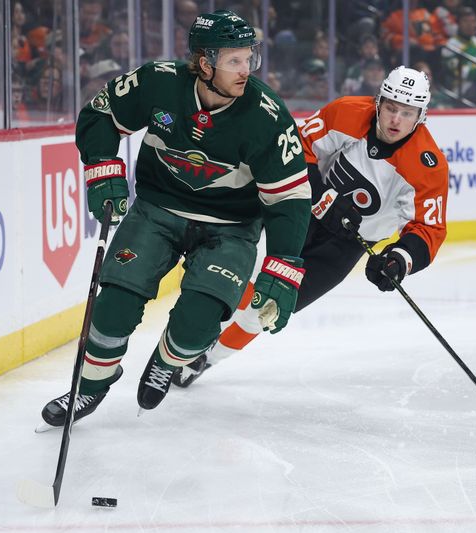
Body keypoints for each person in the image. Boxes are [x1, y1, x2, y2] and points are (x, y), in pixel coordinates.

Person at [39, 10, 310, 426]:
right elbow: (100, 115)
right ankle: (90, 385)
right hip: (157, 209)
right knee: (113, 305)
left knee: (196, 326)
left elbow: (290, 199)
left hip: (231, 229)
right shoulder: (158, 82)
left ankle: (169, 359)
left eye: (249, 59)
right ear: (204, 63)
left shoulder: (267, 117)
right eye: (234, 60)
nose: (246, 70)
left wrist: (285, 263)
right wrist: (102, 169)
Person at [172, 66, 449, 388]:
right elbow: (298, 148)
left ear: (422, 116)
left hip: (345, 246)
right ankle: (187, 336)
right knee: (239, 279)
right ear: (378, 102)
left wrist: (399, 259)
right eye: (390, 108)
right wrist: (323, 194)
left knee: (270, 308)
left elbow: (429, 228)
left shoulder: (428, 167)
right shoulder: (346, 112)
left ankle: (205, 358)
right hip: (299, 211)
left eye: (407, 113)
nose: (395, 120)